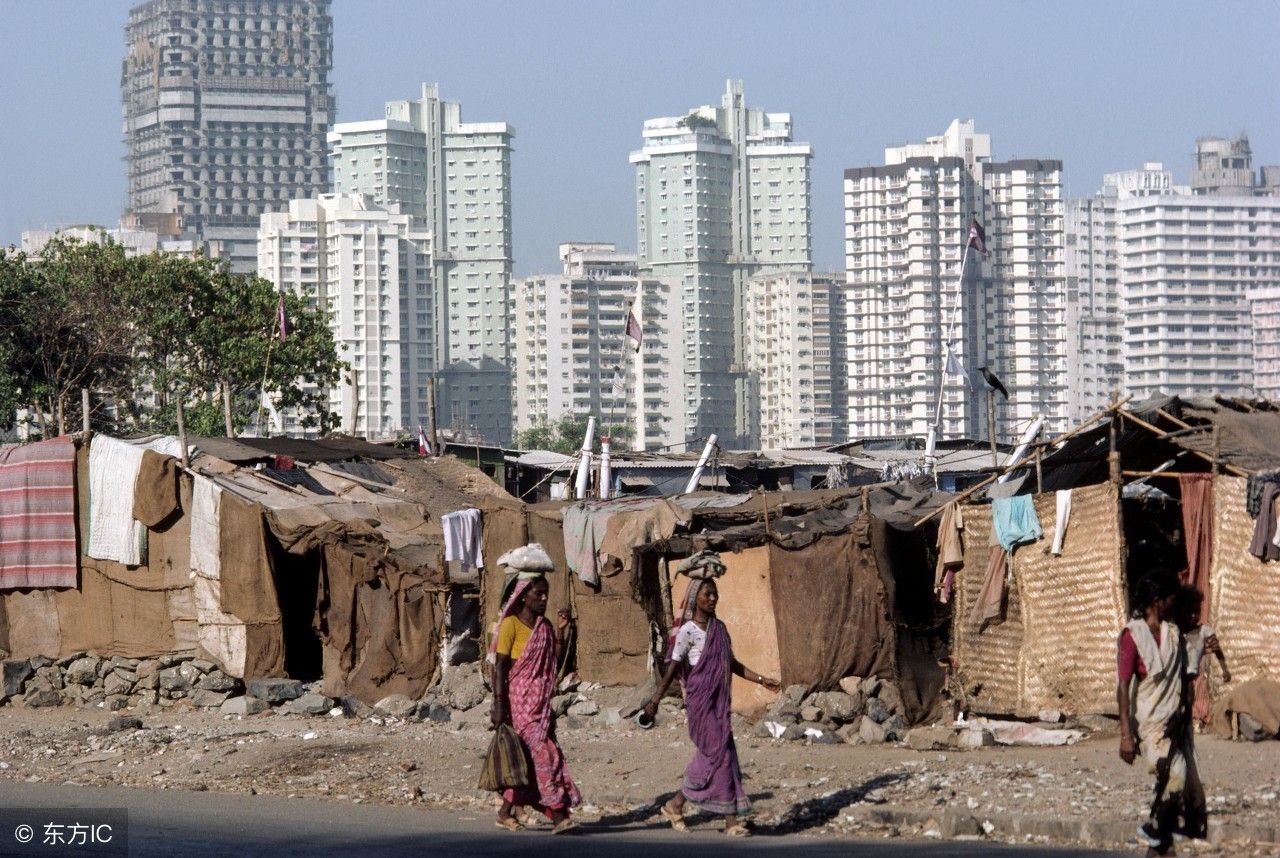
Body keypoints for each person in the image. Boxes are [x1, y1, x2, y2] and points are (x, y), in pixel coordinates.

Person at [642, 577, 781, 837]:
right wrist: (655, 701)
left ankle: (704, 813)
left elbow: (732, 663)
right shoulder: (688, 632)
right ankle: (695, 810)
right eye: (708, 594)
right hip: (700, 703)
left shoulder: (720, 629)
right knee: (718, 754)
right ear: (696, 598)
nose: (713, 598)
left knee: (724, 756)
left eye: (715, 594)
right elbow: (672, 668)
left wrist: (762, 679)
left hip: (719, 704)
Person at [1117, 574, 1204, 856]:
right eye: (1169, 600)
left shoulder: (1173, 633)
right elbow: (1123, 685)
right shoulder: (1133, 636)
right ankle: (1154, 827)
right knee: (1174, 777)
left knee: (1181, 784)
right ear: (1157, 602)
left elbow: (1185, 675)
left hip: (1175, 723)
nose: (1172, 605)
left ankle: (1159, 844)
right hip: (1150, 724)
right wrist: (1125, 735)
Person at [490, 572, 581, 833]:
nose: (543, 599)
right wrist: (497, 704)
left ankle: (505, 812)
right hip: (519, 704)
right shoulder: (510, 625)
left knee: (528, 760)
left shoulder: (544, 626)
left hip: (541, 704)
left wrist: (561, 633)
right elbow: (500, 667)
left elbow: (553, 660)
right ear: (522, 595)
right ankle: (557, 814)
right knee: (543, 753)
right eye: (538, 594)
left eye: (545, 594)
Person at [1172, 584, 1231, 729]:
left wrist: (1225, 670)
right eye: (1189, 612)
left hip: (1190, 680)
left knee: (1188, 706)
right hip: (1175, 680)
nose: (1194, 616)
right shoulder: (1174, 632)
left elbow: (1217, 649)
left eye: (1197, 612)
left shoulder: (1203, 631)